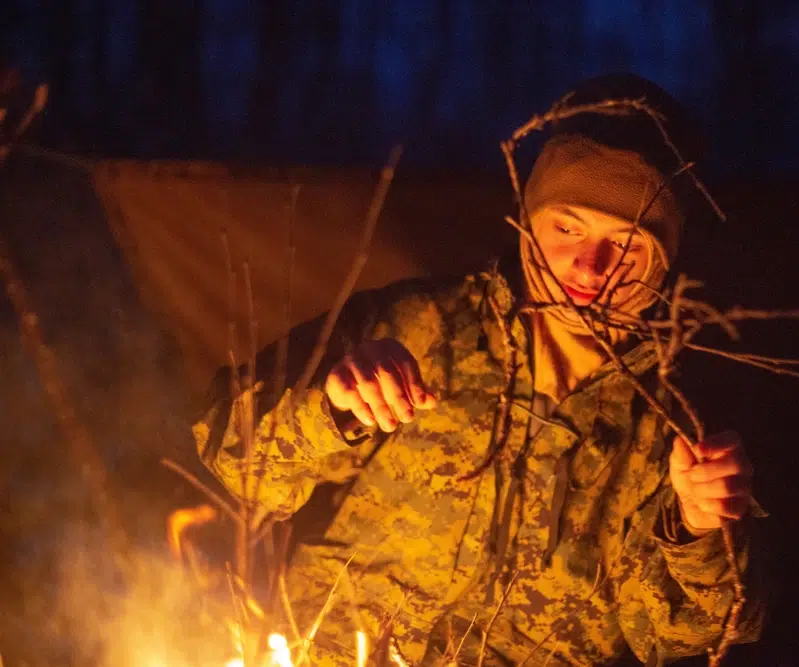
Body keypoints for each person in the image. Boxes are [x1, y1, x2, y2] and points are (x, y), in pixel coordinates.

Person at [194, 74, 765, 666]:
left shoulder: (674, 421)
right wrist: (331, 408)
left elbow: (685, 636)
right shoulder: (420, 325)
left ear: (664, 256)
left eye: (626, 244)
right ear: (529, 219)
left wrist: (697, 529)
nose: (589, 267)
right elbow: (230, 456)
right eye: (567, 226)